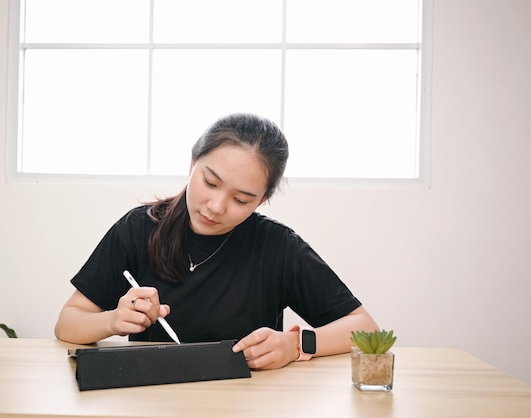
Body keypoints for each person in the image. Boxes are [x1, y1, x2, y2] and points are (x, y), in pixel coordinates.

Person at [54, 113, 378, 370]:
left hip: (245, 404)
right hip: (152, 399)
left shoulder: (277, 246)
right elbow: (68, 323)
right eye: (210, 182)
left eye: (241, 199)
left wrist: (295, 345)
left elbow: (365, 328)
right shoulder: (138, 228)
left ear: (262, 200)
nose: (216, 207)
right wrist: (111, 321)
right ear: (193, 162)